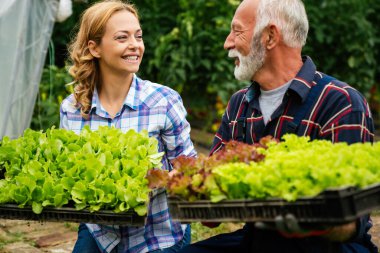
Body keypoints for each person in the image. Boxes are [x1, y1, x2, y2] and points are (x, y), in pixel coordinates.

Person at [179, 0, 378, 252]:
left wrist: (314, 216)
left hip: (327, 246)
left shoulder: (341, 102)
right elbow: (211, 217)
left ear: (270, 36)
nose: (227, 43)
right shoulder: (239, 104)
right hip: (257, 239)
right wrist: (192, 193)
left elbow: (352, 223)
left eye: (237, 31)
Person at [59, 1, 196, 252]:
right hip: (101, 231)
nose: (135, 44)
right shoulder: (73, 108)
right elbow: (72, 175)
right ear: (95, 48)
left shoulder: (163, 101)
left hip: (157, 234)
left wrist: (160, 180)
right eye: (122, 38)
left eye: (138, 36)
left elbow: (190, 169)